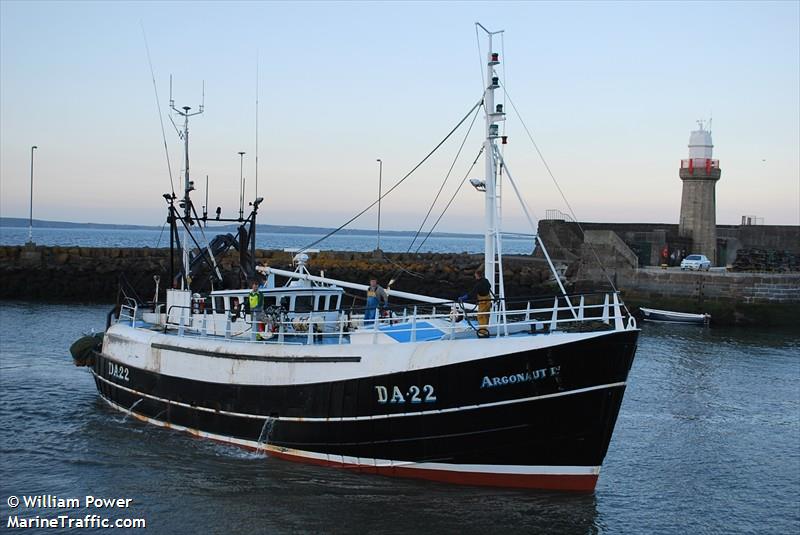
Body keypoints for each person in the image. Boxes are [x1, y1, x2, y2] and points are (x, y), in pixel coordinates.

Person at [460, 269, 492, 338]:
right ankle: (485, 329)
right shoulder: (486, 280)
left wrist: (463, 298)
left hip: (483, 301)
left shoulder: (478, 284)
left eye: (475, 275)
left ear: (477, 275)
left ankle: (483, 332)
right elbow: (489, 286)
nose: (475, 276)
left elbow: (472, 294)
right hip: (488, 300)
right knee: (486, 315)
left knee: (480, 316)